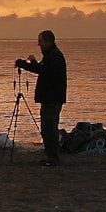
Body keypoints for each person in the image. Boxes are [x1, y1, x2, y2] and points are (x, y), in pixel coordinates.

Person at [15, 30, 67, 166]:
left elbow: (44, 71)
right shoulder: (51, 55)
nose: (39, 44)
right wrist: (29, 64)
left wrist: (30, 64)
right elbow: (42, 69)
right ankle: (51, 157)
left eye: (41, 41)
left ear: (48, 41)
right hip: (50, 98)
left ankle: (53, 158)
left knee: (49, 128)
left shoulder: (55, 56)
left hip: (53, 99)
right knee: (47, 128)